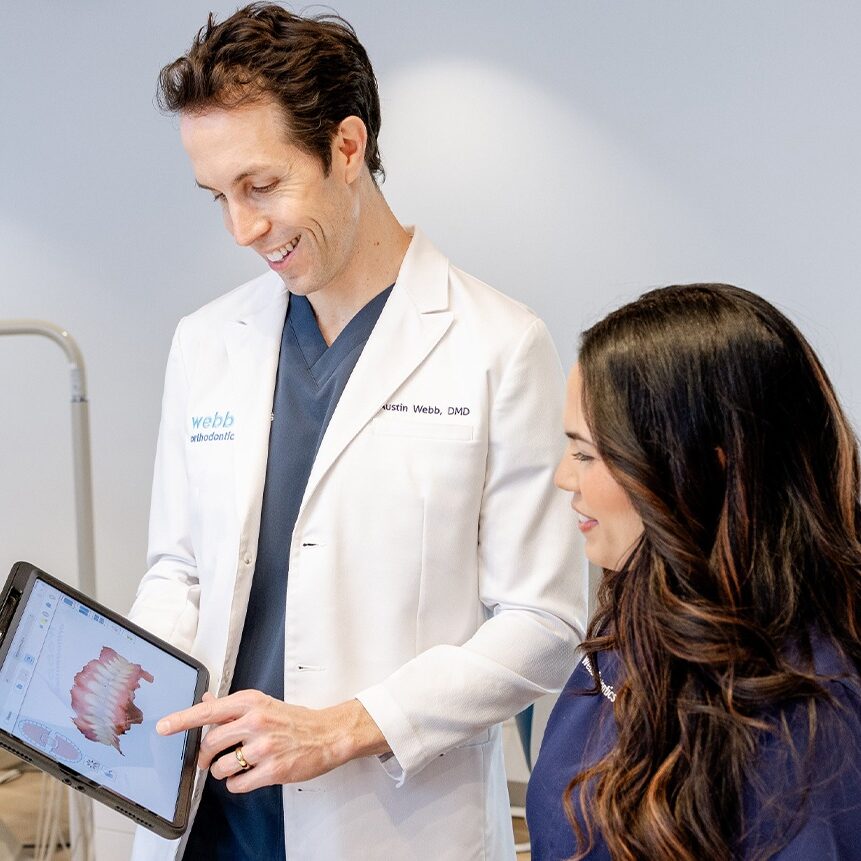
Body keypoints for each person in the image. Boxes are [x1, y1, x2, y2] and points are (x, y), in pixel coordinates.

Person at [128, 5, 585, 860]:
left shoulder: (497, 344)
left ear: (345, 146)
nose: (242, 229)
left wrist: (347, 725)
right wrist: (137, 681)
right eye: (219, 197)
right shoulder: (206, 341)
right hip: (207, 821)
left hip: (390, 822)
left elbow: (541, 620)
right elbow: (179, 569)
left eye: (261, 186)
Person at [527, 283, 861, 860]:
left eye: (586, 454)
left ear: (699, 472)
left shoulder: (809, 721)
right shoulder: (636, 623)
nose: (564, 478)